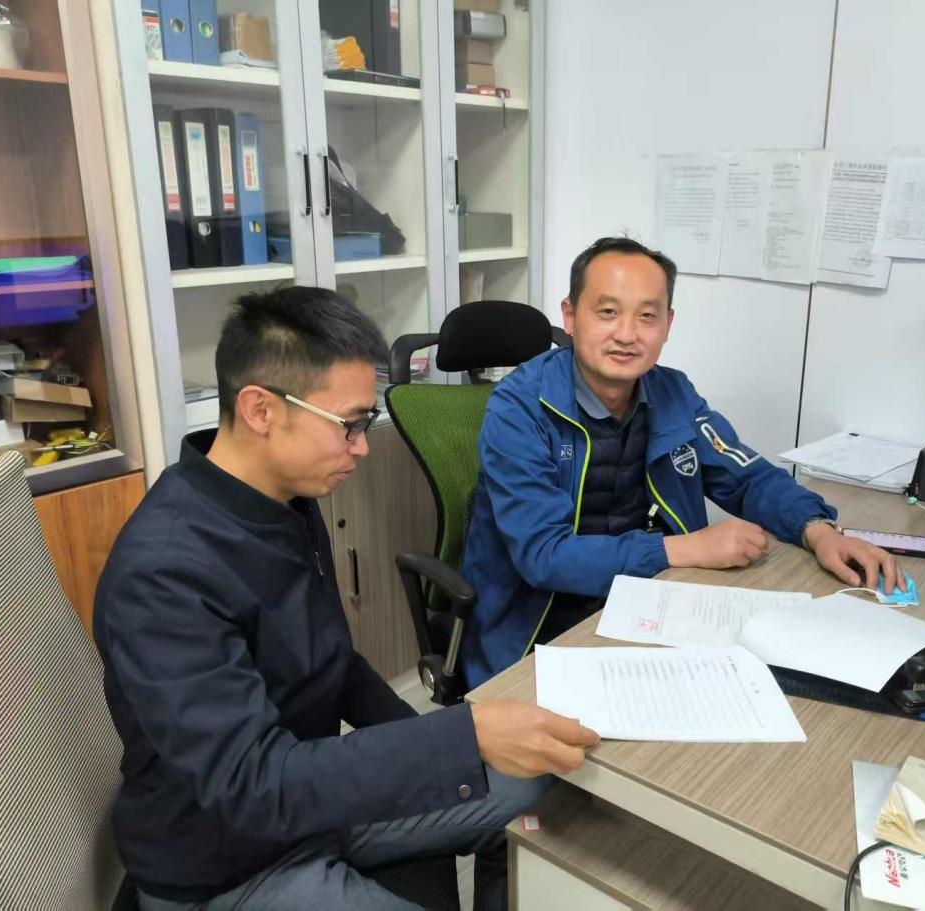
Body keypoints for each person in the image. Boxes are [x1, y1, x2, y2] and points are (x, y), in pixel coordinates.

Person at [93, 287, 599, 911]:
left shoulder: (286, 500)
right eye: (350, 425)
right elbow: (253, 785)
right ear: (260, 410)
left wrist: (446, 751)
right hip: (228, 861)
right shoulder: (165, 572)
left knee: (535, 785)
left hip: (314, 803)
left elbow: (334, 663)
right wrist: (460, 740)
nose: (361, 446)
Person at [459, 236, 906, 687]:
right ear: (571, 316)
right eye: (608, 312)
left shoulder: (674, 394)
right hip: (535, 629)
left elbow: (747, 477)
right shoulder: (518, 409)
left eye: (647, 315)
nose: (627, 334)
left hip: (653, 605)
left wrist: (817, 530)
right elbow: (544, 556)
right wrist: (687, 549)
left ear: (668, 324)